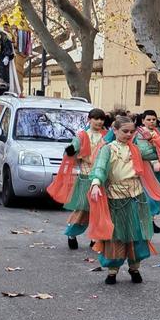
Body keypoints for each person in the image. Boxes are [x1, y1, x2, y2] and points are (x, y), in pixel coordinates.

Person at [86, 116, 160, 285]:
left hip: (137, 197)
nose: (129, 134)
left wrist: (151, 139)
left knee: (138, 233)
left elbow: (159, 153)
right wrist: (95, 184)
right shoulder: (107, 149)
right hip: (115, 197)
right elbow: (100, 168)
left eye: (131, 132)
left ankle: (134, 267)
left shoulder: (137, 149)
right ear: (114, 130)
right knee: (116, 235)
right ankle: (113, 270)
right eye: (125, 131)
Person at [49, 107, 109, 250]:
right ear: (89, 119)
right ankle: (71, 233)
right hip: (85, 177)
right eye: (96, 118)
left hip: (101, 178)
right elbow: (73, 148)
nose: (99, 122)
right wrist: (70, 150)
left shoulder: (106, 135)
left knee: (99, 210)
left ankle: (95, 238)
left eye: (101, 119)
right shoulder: (82, 135)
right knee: (82, 209)